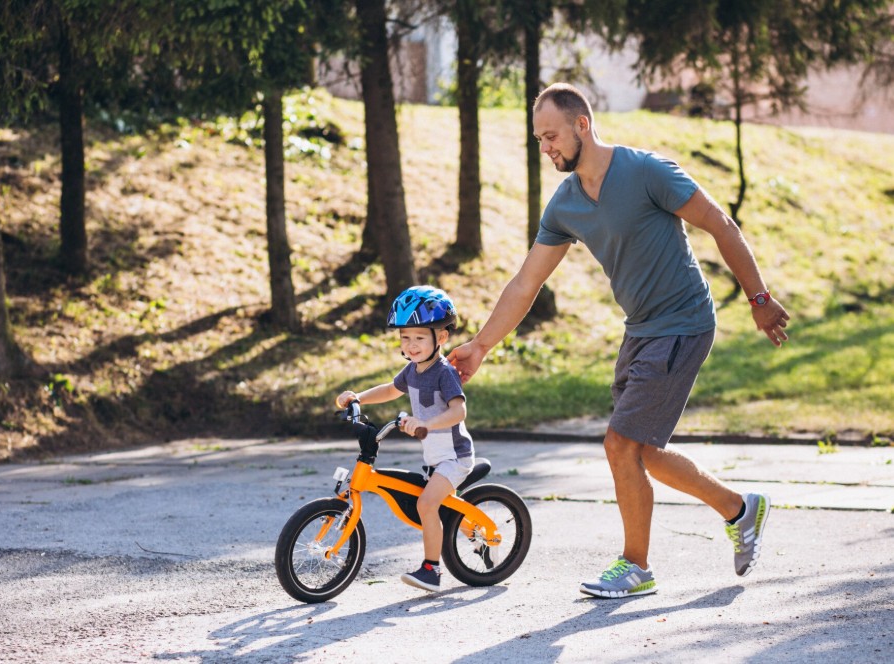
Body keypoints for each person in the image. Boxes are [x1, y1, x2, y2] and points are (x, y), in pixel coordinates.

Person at [448, 82, 790, 599]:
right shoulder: (565, 204)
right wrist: (481, 345)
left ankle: (636, 566)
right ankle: (740, 509)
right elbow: (526, 283)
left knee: (620, 444)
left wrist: (759, 300)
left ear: (582, 125)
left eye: (552, 136)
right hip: (641, 329)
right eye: (539, 140)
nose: (547, 148)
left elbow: (719, 223)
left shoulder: (646, 171)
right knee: (642, 452)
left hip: (683, 321)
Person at [337, 285, 474, 593]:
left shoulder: (443, 373)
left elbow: (459, 411)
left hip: (456, 456)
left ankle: (432, 570)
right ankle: (465, 532)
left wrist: (426, 422)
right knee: (431, 504)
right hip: (434, 457)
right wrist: (358, 397)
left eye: (419, 337)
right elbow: (390, 389)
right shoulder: (413, 370)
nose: (411, 345)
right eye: (405, 337)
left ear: (440, 337)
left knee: (426, 504)